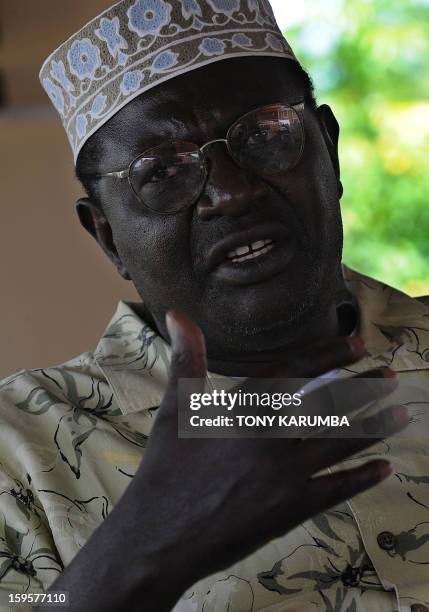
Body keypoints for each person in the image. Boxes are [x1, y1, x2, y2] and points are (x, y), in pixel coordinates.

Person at [0, 0, 428, 610]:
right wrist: (138, 551)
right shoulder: (20, 451)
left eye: (264, 135)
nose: (230, 193)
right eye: (162, 173)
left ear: (327, 151)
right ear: (109, 236)